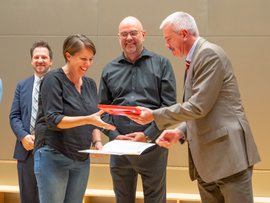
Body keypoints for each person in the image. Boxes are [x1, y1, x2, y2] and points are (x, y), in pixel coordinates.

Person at [125, 12, 261, 203]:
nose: (166, 45)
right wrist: (179, 132)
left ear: (184, 34)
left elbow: (198, 107)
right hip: (207, 165)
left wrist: (153, 116)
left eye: (168, 39)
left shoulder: (209, 54)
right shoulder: (196, 58)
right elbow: (205, 108)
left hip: (228, 158)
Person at [99, 16, 177, 203]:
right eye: (124, 34)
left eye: (133, 33)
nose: (129, 38)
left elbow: (169, 109)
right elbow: (102, 111)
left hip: (152, 149)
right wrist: (114, 136)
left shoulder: (162, 64)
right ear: (119, 37)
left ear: (143, 35)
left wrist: (147, 135)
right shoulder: (108, 69)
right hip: (120, 150)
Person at [33, 34, 115, 203]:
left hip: (81, 159)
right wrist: (88, 119)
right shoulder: (53, 79)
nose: (88, 64)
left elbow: (94, 118)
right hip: (53, 155)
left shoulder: (90, 84)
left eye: (91, 59)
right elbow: (54, 120)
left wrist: (97, 142)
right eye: (83, 58)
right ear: (68, 56)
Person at [10, 40, 53, 203]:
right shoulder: (22, 85)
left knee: (50, 198)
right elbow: (14, 116)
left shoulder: (60, 84)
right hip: (25, 151)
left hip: (51, 150)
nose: (40, 60)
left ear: (51, 61)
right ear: (31, 60)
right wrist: (23, 137)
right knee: (28, 199)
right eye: (36, 57)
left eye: (44, 57)